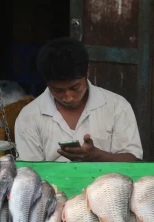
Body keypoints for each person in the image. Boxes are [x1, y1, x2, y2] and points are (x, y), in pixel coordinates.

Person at [14, 37, 143, 162]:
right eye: (58, 90)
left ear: (87, 71)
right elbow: (30, 171)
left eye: (75, 87)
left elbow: (134, 160)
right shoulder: (29, 116)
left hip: (107, 184)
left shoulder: (117, 106)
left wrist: (98, 157)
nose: (68, 98)